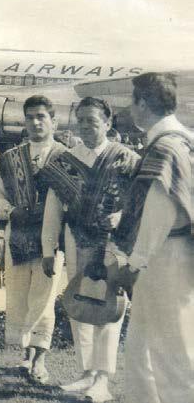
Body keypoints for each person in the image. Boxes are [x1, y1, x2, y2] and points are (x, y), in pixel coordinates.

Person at [39, 97, 140, 402]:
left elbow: (139, 203)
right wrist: (48, 249)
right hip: (77, 240)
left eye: (92, 121)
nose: (85, 126)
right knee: (80, 303)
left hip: (114, 244)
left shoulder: (126, 159)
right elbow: (53, 208)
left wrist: (120, 216)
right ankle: (86, 373)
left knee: (110, 306)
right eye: (80, 120)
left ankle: (103, 380)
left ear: (107, 123)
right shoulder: (66, 161)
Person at [110, 73, 194, 403]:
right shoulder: (184, 140)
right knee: (140, 347)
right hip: (170, 252)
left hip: (164, 256)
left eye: (133, 102)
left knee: (171, 352)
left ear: (143, 103)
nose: (131, 109)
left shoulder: (166, 147)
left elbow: (161, 212)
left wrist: (134, 263)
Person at [0, 95, 67, 385]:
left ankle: (40, 359)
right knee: (19, 295)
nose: (35, 122)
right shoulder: (11, 158)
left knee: (44, 297)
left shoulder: (65, 157)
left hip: (52, 238)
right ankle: (25, 354)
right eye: (30, 117)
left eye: (41, 116)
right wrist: (10, 211)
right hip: (19, 234)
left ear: (53, 121)